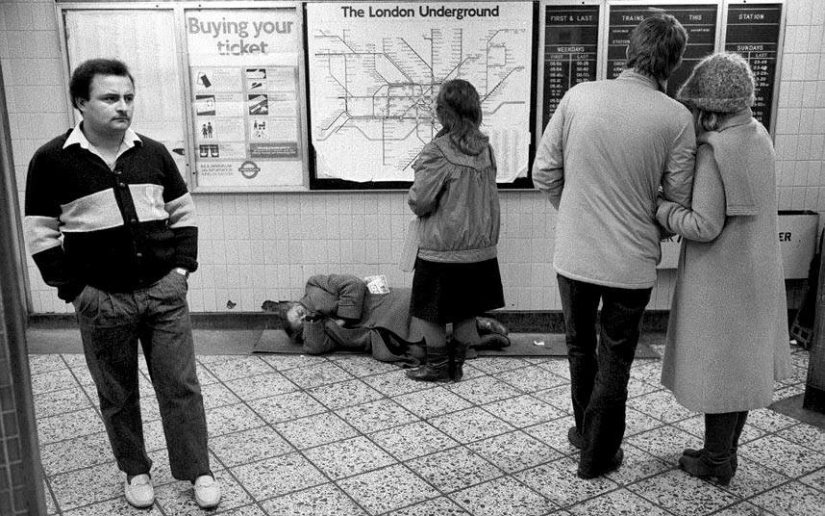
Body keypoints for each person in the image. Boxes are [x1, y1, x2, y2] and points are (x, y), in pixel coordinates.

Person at [23, 59, 220, 510]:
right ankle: (135, 470)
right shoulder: (52, 160)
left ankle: (197, 470)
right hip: (102, 300)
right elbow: (40, 232)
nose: (123, 107)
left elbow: (183, 214)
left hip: (163, 294)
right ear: (81, 102)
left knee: (180, 385)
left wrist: (181, 271)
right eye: (110, 98)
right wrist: (76, 291)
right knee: (117, 392)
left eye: (129, 97)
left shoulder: (152, 152)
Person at [532, 14, 696, 479]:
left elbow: (544, 172)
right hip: (632, 262)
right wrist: (648, 217)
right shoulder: (677, 118)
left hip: (575, 255)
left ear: (630, 48)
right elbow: (678, 199)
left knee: (579, 347)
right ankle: (598, 452)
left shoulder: (578, 97)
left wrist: (579, 214)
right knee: (616, 356)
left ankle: (586, 434)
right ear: (674, 62)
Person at [656, 52, 792, 485]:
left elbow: (704, 224)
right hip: (758, 273)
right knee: (743, 367)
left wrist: (663, 209)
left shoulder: (716, 152)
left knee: (720, 369)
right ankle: (723, 451)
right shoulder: (758, 136)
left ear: (710, 110)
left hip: (722, 280)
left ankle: (715, 462)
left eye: (696, 108)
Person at [405, 79, 505, 383]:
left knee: (429, 311)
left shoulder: (438, 150)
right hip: (480, 248)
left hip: (443, 248)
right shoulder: (484, 149)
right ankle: (457, 365)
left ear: (443, 112)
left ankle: (436, 367)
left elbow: (420, 202)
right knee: (466, 310)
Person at [276, 274, 510, 364]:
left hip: (384, 305)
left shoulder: (315, 285)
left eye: (299, 312)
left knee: (428, 320)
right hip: (381, 334)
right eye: (301, 321)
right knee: (422, 350)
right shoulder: (318, 329)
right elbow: (316, 348)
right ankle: (478, 340)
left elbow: (353, 285)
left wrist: (345, 319)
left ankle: (478, 324)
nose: (304, 315)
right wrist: (313, 322)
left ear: (295, 303)